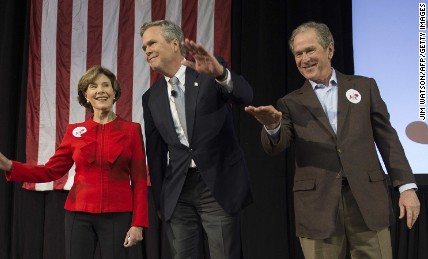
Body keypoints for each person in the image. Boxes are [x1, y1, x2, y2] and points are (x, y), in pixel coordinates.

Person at [245, 21, 421, 259]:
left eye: (310, 50)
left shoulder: (364, 87)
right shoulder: (290, 102)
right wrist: (272, 125)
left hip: (366, 202)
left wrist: (406, 187)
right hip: (318, 207)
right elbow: (277, 144)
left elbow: (388, 139)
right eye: (298, 54)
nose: (304, 58)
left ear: (330, 49)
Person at [0, 66, 148, 259]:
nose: (100, 90)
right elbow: (51, 171)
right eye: (93, 86)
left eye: (106, 85)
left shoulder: (132, 130)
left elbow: (139, 181)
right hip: (78, 215)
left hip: (118, 215)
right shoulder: (74, 131)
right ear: (86, 95)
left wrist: (137, 223)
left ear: (114, 92)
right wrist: (11, 166)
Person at [140, 20, 253, 259]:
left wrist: (222, 75)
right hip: (178, 191)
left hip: (216, 185)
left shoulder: (208, 72)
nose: (147, 50)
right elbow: (156, 151)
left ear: (174, 44)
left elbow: (245, 95)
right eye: (143, 47)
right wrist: (162, 200)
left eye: (152, 43)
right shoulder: (151, 97)